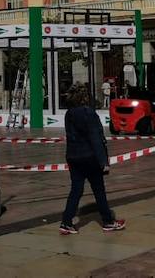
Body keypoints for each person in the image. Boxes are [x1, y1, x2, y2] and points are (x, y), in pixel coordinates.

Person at [59, 84, 125, 234]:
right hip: (90, 157)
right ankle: (108, 221)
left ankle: (66, 222)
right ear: (85, 97)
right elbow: (96, 138)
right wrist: (103, 162)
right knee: (99, 190)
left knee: (76, 190)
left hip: (73, 156)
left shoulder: (69, 114)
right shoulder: (89, 113)